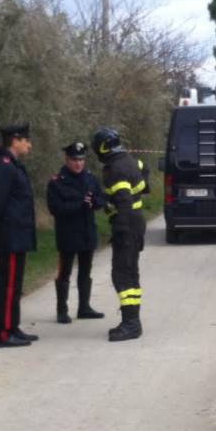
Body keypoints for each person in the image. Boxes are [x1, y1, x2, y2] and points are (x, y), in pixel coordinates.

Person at [0, 123, 38, 348]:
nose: (29, 145)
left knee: (15, 284)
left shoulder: (12, 165)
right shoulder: (3, 166)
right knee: (9, 285)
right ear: (15, 140)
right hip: (9, 236)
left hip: (18, 235)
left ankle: (12, 326)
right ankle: (2, 333)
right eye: (26, 140)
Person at [91, 127, 147, 342]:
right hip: (136, 224)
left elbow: (123, 200)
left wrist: (120, 231)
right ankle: (132, 321)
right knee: (130, 272)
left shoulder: (116, 168)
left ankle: (131, 324)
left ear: (103, 148)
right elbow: (144, 181)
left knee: (122, 274)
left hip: (127, 227)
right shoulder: (130, 161)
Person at [47, 141, 105, 324]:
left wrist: (93, 202)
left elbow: (101, 199)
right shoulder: (58, 181)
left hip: (87, 232)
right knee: (65, 272)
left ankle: (84, 307)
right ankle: (62, 310)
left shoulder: (90, 177)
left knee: (85, 272)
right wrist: (78, 205)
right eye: (74, 160)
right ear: (66, 159)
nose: (78, 163)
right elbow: (55, 208)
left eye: (81, 159)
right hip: (68, 234)